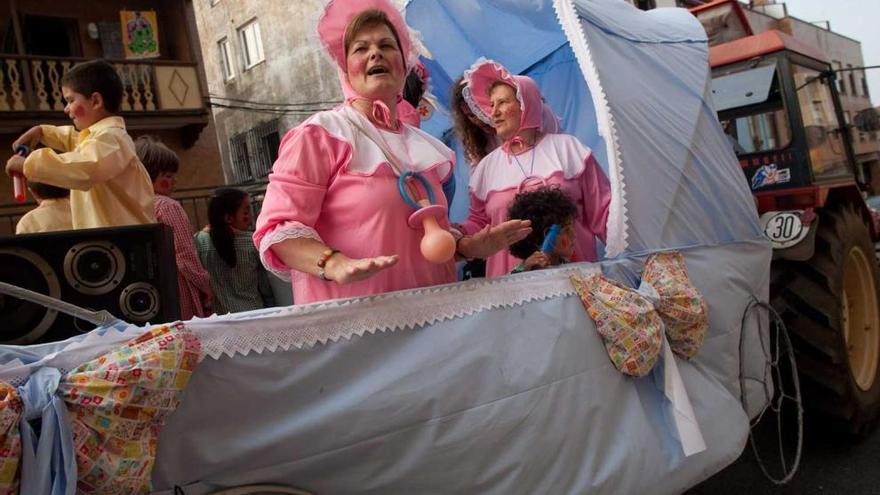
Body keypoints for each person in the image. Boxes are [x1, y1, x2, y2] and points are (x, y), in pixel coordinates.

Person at [254, 0, 530, 304]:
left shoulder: (431, 151)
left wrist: (465, 246)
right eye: (360, 48)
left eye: (387, 45)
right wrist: (332, 263)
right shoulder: (320, 135)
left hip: (433, 318)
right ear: (345, 67)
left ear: (403, 63)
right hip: (358, 326)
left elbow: (425, 238)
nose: (375, 52)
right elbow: (278, 228)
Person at [460, 59, 611, 277]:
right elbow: (478, 224)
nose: (494, 113)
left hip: (576, 281)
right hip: (511, 291)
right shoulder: (486, 168)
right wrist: (460, 237)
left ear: (526, 104)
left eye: (502, 102)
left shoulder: (568, 149)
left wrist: (637, 258)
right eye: (491, 105)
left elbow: (604, 213)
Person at [4, 59, 155, 229]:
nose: (66, 108)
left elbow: (86, 166)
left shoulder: (112, 139)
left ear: (96, 101)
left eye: (70, 100)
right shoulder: (105, 139)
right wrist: (43, 132)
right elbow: (78, 141)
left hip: (129, 244)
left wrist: (27, 164)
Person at [135, 135, 214, 320]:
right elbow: (185, 255)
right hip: (178, 290)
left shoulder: (130, 207)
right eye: (168, 176)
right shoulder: (167, 206)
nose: (174, 181)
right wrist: (205, 285)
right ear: (147, 176)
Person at [197, 188, 274, 314]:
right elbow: (265, 287)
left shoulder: (200, 241)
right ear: (228, 218)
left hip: (219, 318)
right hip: (254, 313)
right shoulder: (253, 242)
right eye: (246, 212)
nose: (250, 217)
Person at [506, 186, 577, 273]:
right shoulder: (522, 271)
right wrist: (526, 271)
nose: (574, 235)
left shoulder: (569, 266)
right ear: (547, 237)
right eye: (567, 230)